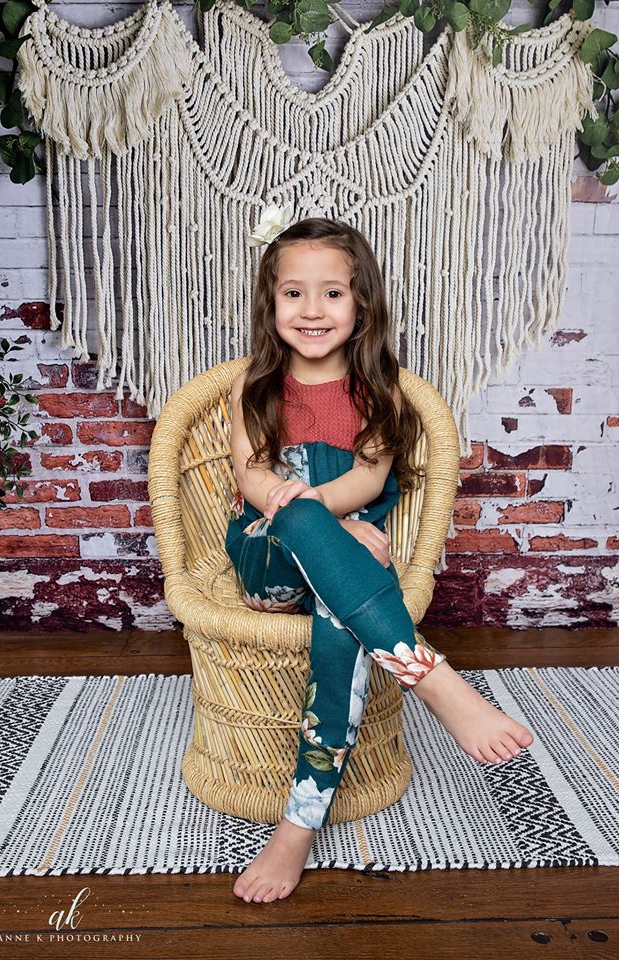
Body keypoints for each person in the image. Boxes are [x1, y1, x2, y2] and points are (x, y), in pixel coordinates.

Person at [225, 203, 534, 905]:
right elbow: (253, 479)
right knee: (299, 517)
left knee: (341, 634)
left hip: (345, 573)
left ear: (361, 304)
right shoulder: (254, 384)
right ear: (269, 302)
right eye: (293, 293)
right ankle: (435, 682)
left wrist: (326, 521)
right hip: (268, 563)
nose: (312, 309)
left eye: (331, 293)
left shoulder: (380, 385)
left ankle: (298, 827)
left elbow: (370, 478)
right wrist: (319, 518)